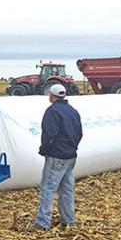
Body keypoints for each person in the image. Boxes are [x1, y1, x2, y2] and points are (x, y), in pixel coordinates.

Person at [34, 83, 83, 229]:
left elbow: (49, 134)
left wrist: (44, 150)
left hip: (57, 156)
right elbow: (79, 133)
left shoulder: (52, 111)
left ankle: (43, 223)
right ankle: (68, 220)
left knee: (48, 189)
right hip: (70, 156)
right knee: (67, 189)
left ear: (51, 95)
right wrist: (72, 147)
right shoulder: (72, 111)